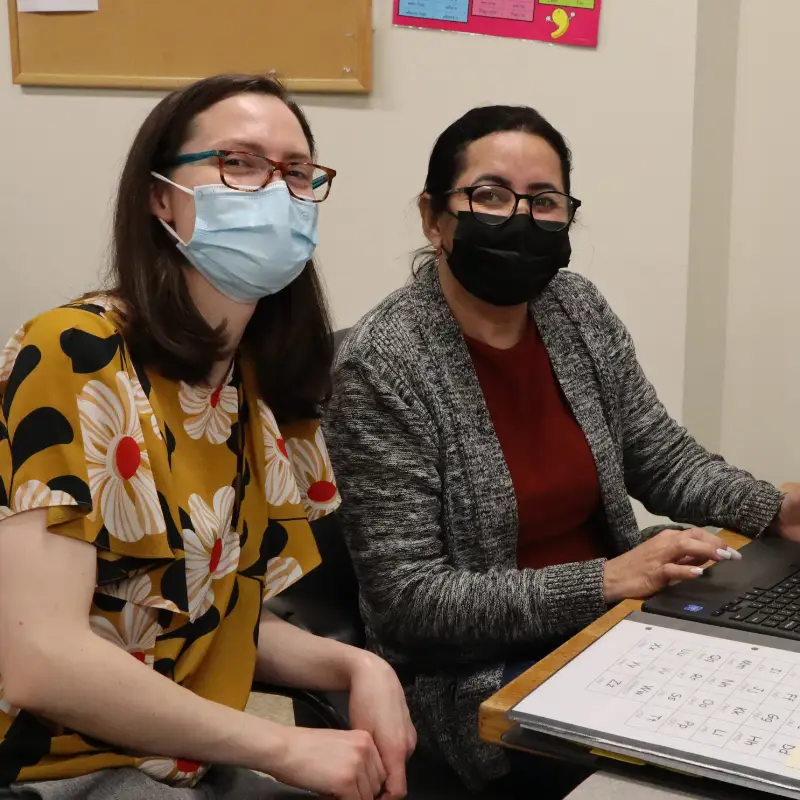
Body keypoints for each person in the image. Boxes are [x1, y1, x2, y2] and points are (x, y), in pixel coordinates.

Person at [323, 105, 800, 794]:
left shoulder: (574, 307)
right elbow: (411, 603)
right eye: (489, 195)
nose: (520, 218)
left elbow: (659, 456)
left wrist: (774, 509)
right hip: (476, 678)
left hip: (613, 629)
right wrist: (607, 580)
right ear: (434, 216)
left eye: (544, 202)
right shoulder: (381, 365)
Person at [0, 74, 415, 800]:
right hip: (55, 769)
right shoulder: (74, 352)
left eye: (295, 172)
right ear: (161, 196)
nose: (276, 192)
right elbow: (38, 656)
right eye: (239, 163)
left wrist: (357, 667)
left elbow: (215, 617)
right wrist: (282, 745)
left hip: (182, 753)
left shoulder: (257, 384)